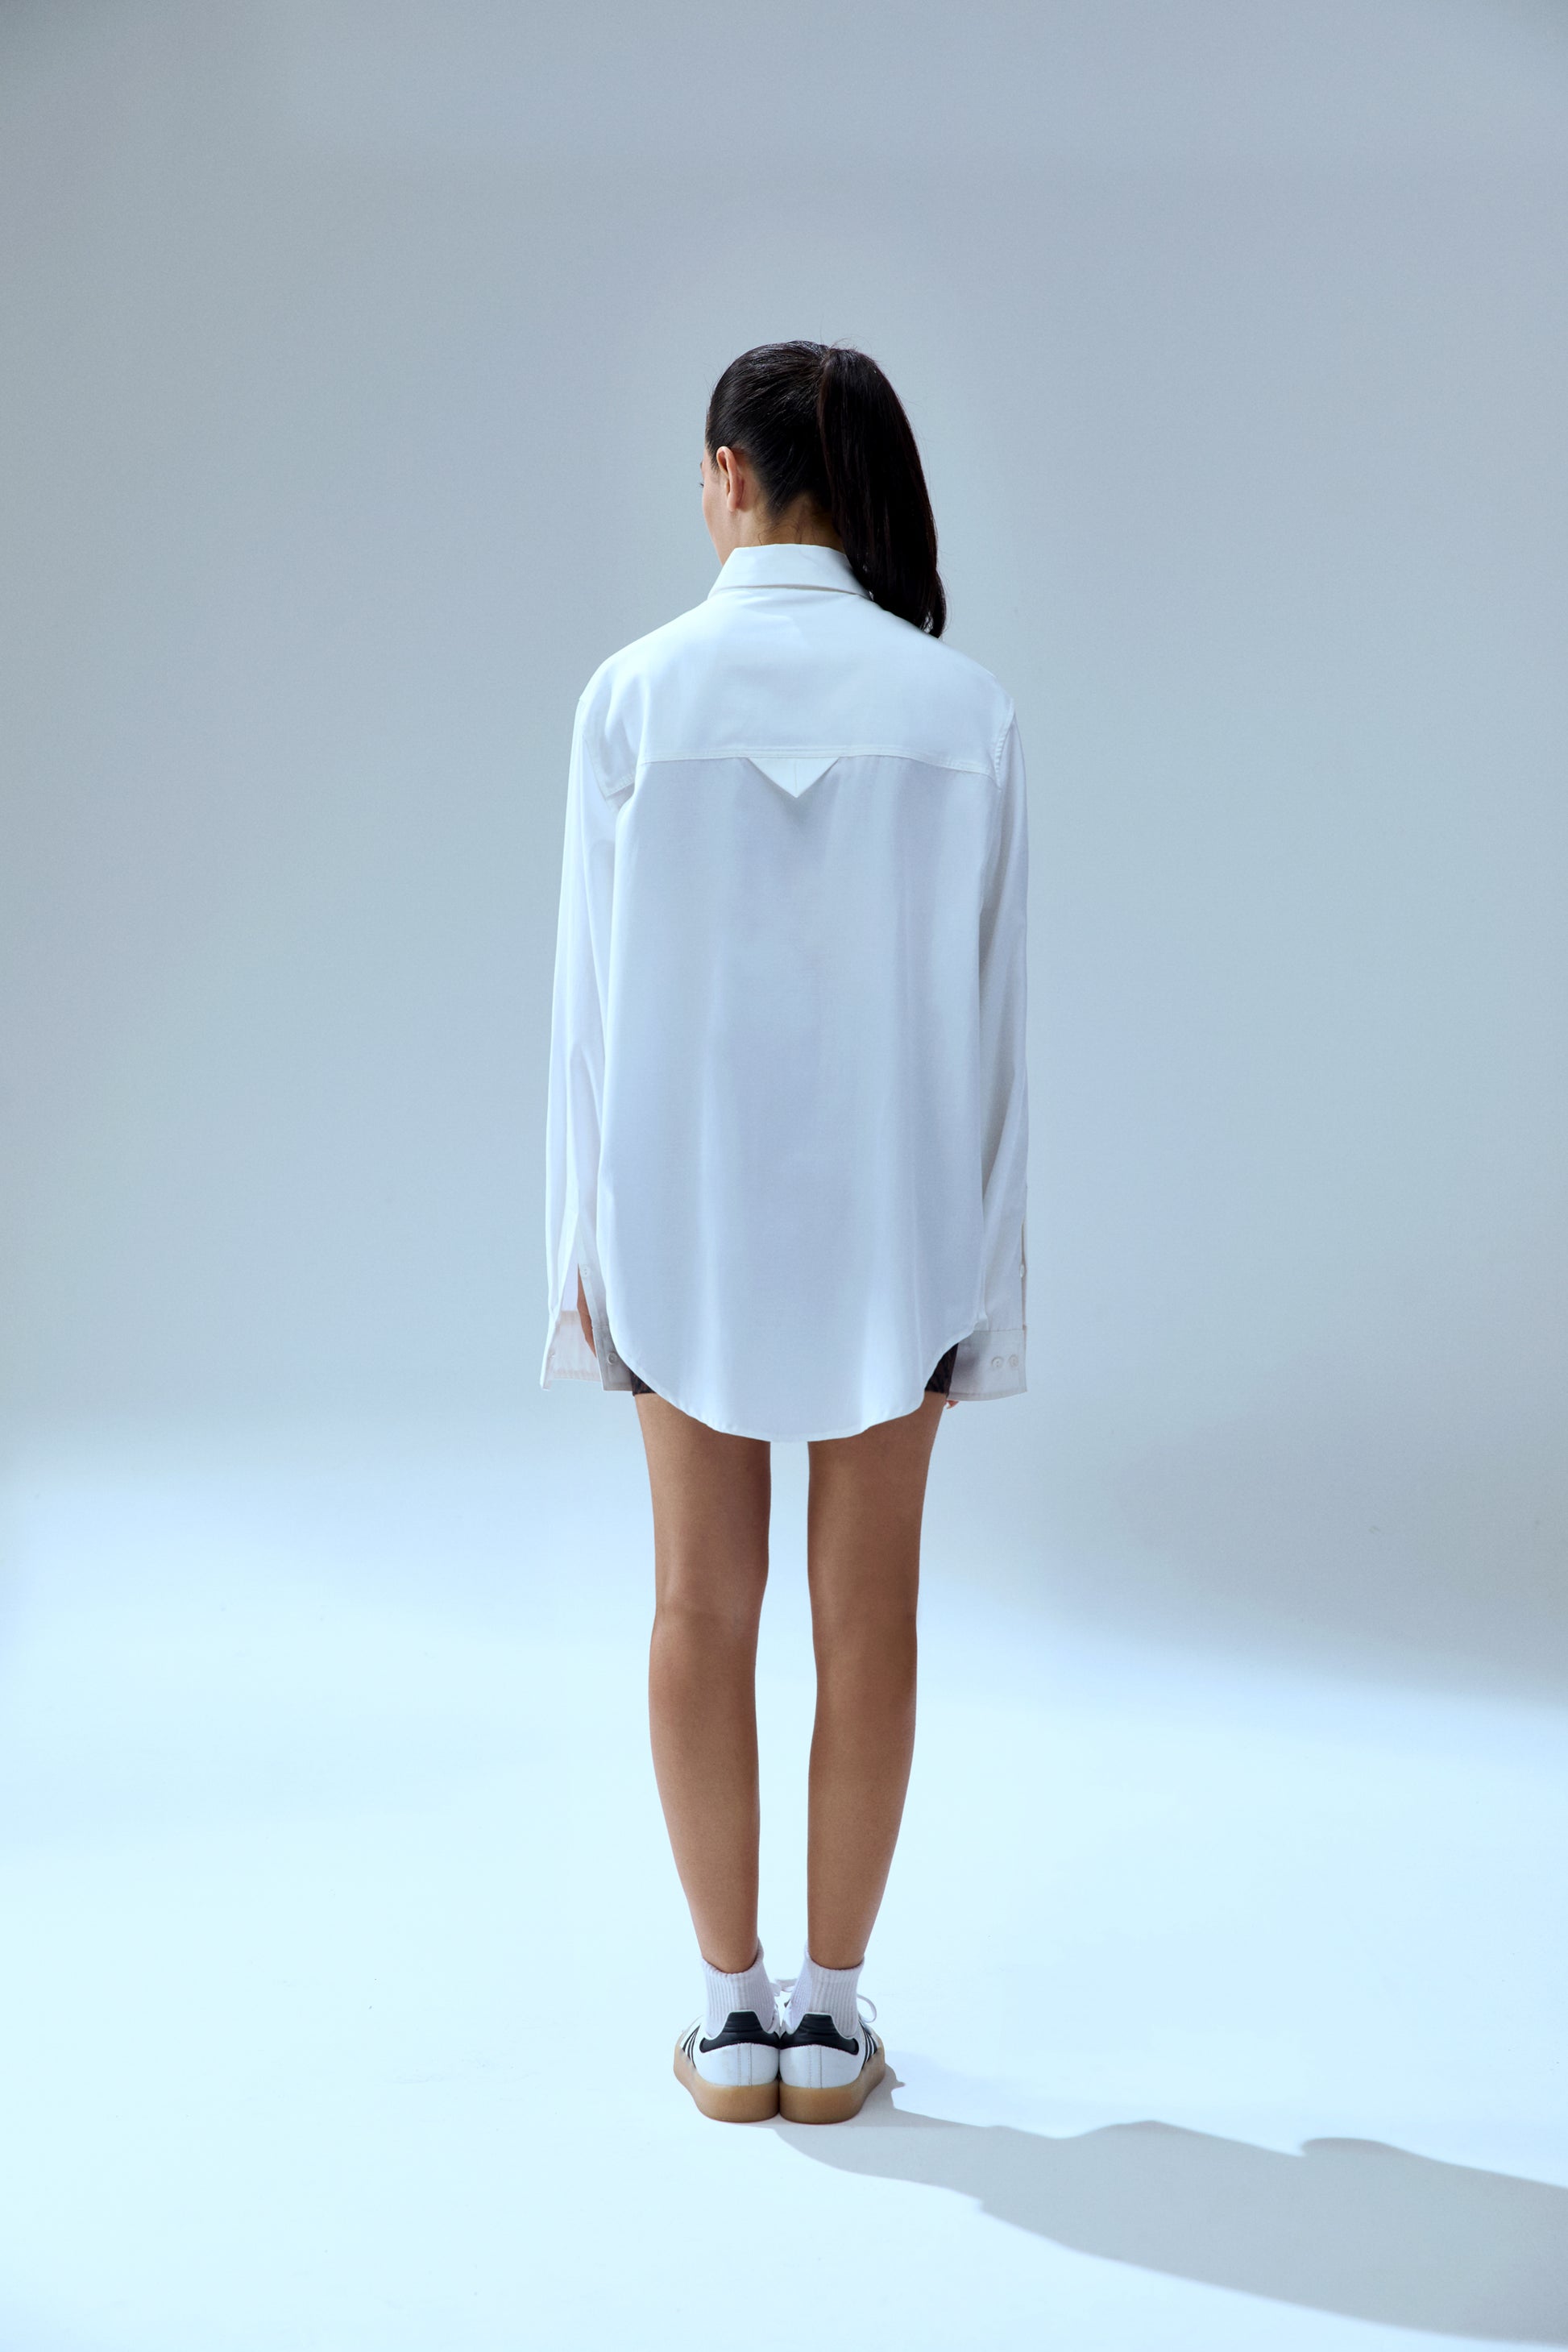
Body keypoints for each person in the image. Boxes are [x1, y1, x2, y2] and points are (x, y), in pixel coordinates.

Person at [541, 341, 1028, 2124]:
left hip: (681, 1219)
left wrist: (578, 1263)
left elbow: (587, 1020)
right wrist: (989, 1291)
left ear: (728, 477)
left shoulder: (631, 697)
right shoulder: (963, 711)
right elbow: (993, 1027)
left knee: (696, 1598)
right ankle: (829, 2020)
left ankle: (728, 2013)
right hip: (901, 1226)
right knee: (868, 1606)